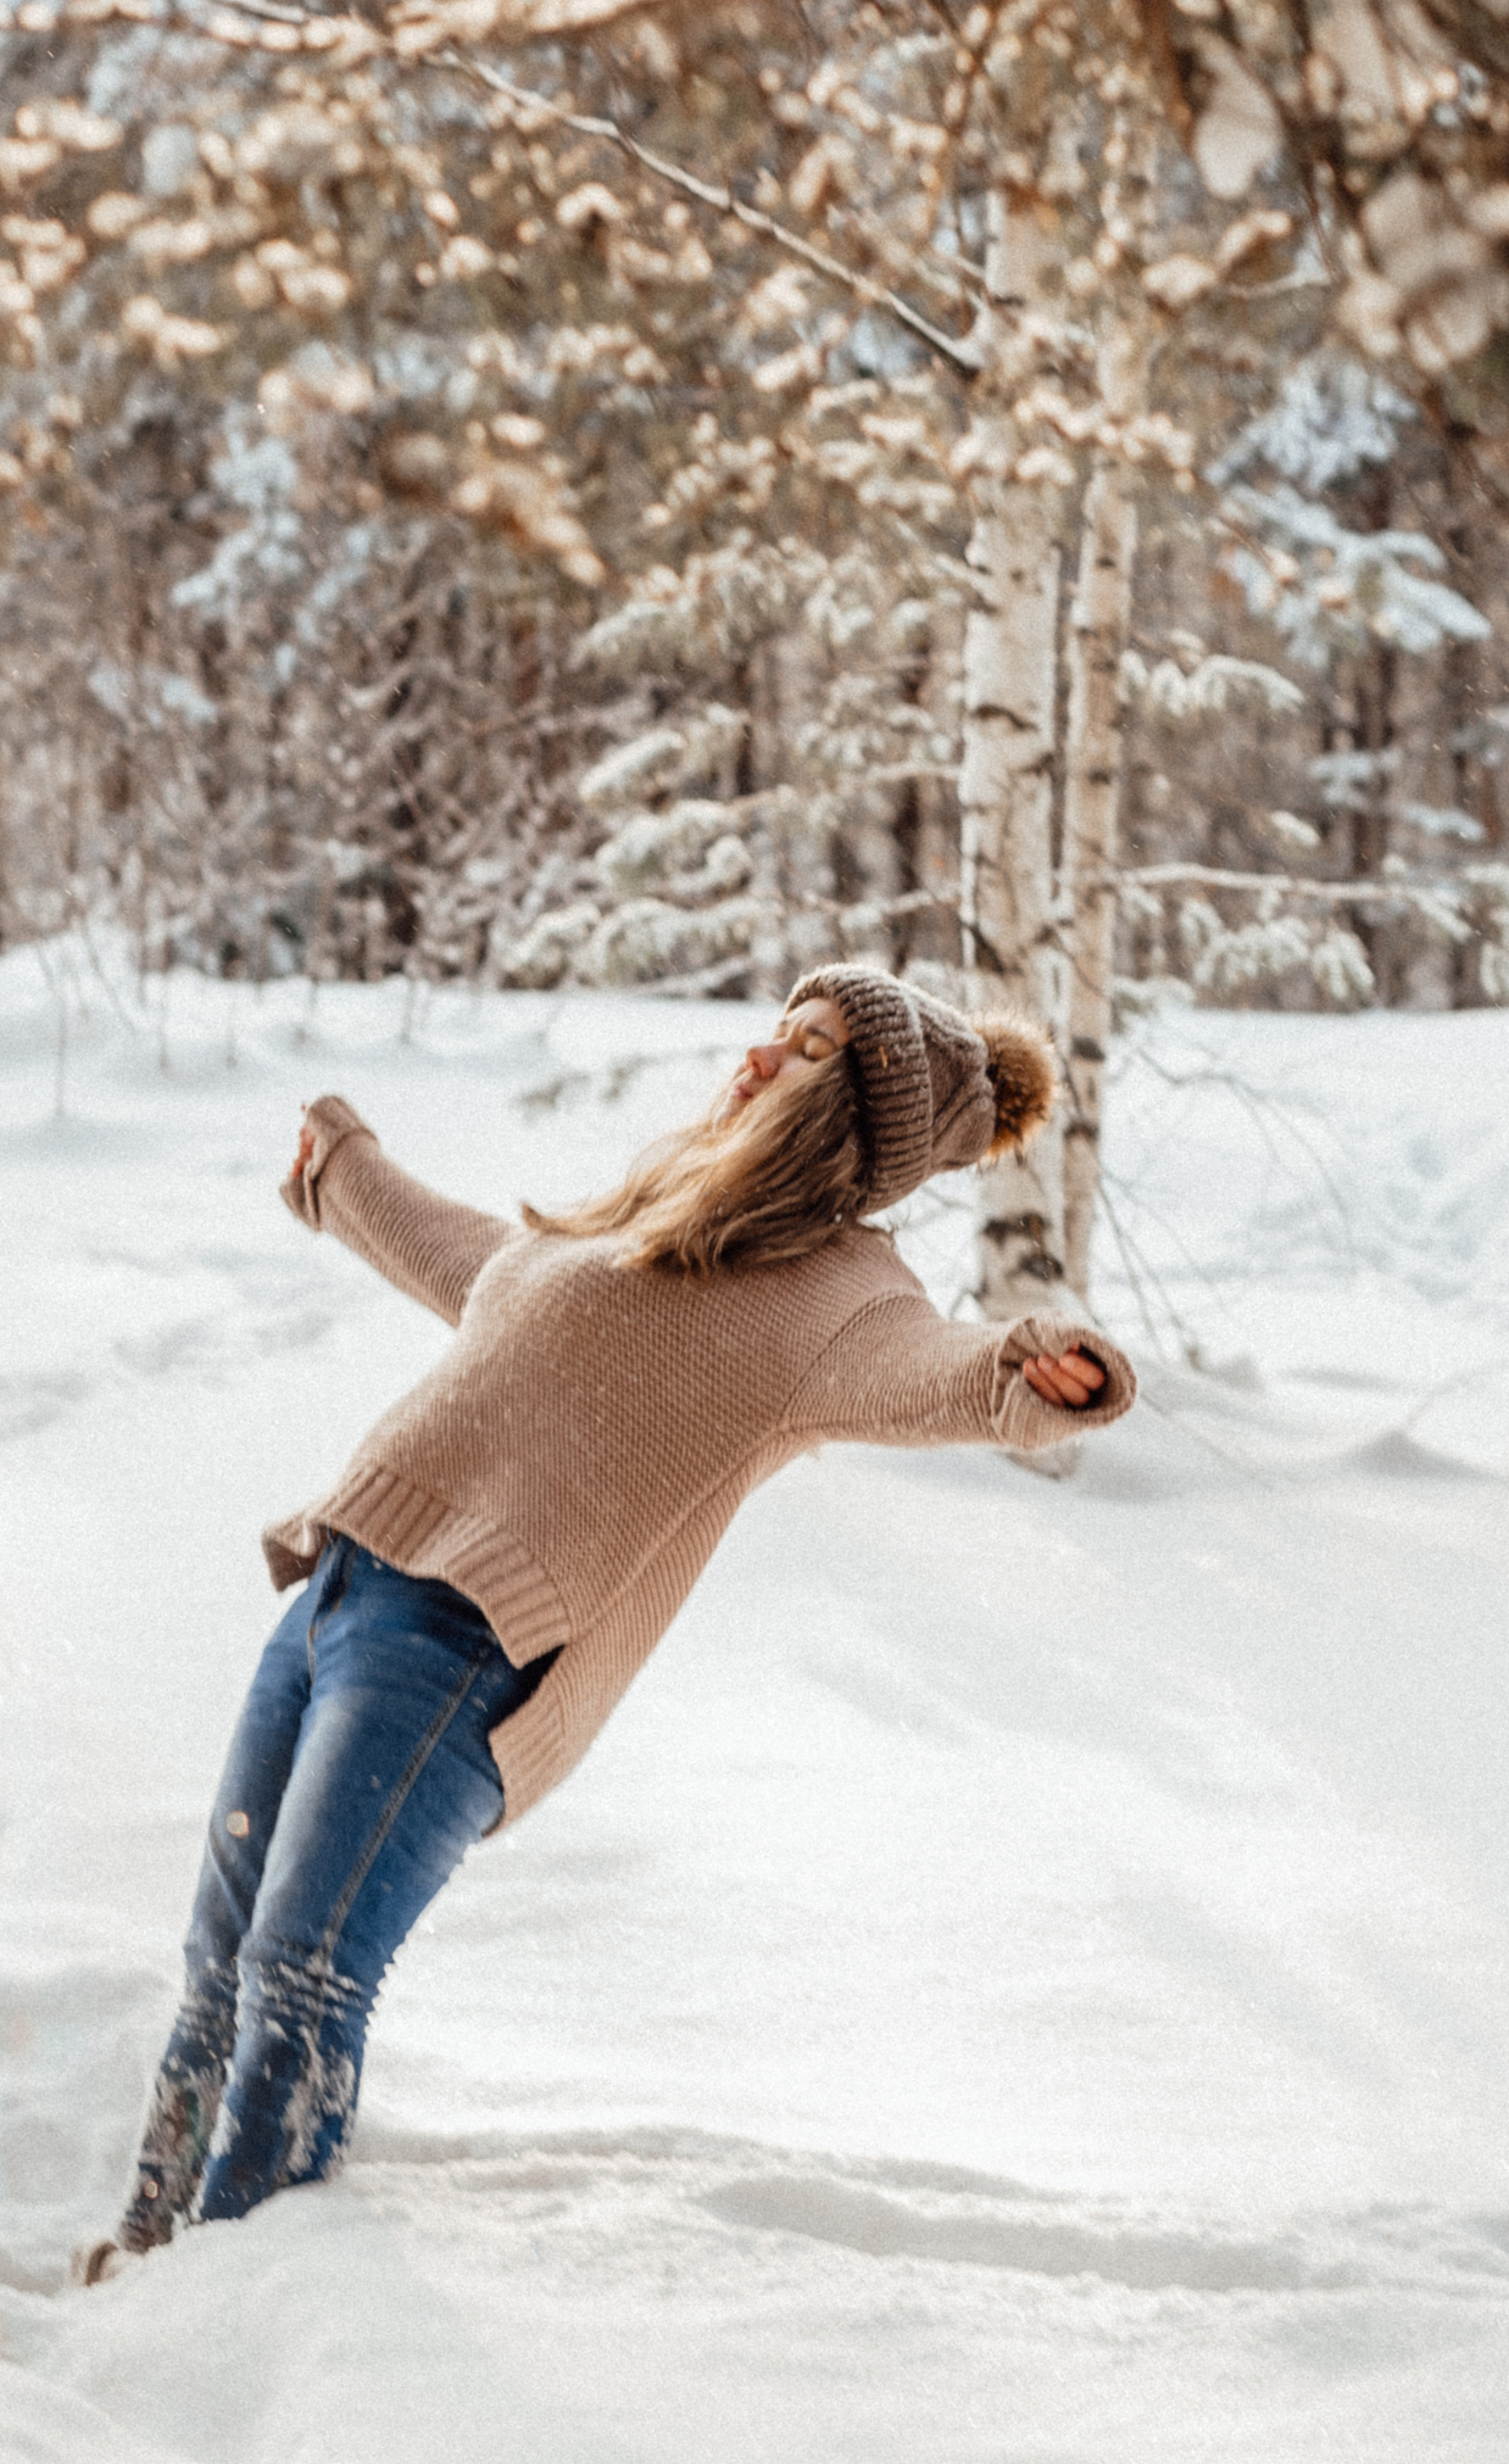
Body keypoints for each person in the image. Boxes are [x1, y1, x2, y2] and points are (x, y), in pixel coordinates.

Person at [74, 964, 1135, 2283]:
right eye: (775, 1033)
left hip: (457, 1660)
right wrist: (343, 1172)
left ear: (852, 1110)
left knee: (304, 1966)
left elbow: (926, 1373)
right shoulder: (648, 1214)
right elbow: (476, 1261)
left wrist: (1017, 1374)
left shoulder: (839, 1297)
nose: (755, 1060)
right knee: (223, 1956)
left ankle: (230, 2303)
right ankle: (146, 2242)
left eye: (802, 1049)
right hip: (339, 1588)